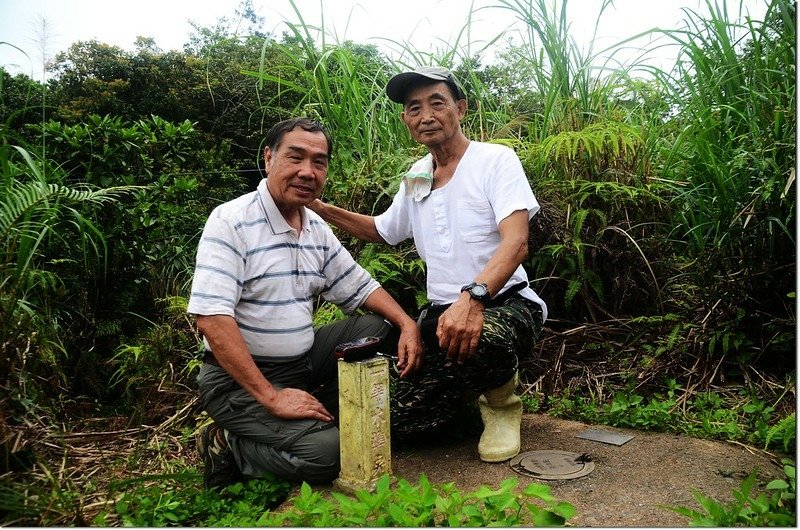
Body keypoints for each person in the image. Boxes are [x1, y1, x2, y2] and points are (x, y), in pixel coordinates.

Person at [309, 66, 547, 463]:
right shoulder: (417, 176)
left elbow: (517, 241)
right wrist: (319, 208)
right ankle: (461, 403)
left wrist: (473, 297)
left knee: (482, 335)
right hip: (440, 316)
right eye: (414, 108)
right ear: (406, 120)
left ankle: (503, 405)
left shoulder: (495, 161)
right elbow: (383, 231)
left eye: (437, 103)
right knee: (401, 418)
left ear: (461, 108)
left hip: (506, 304)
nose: (426, 115)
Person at [188, 117, 423, 489]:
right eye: (295, 157)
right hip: (238, 380)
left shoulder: (313, 226)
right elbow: (211, 319)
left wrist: (408, 324)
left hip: (300, 364)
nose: (307, 172)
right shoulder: (232, 221)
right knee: (332, 454)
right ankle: (229, 443)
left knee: (380, 327)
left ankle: (312, 413)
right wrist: (271, 397)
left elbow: (360, 286)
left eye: (319, 161)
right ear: (268, 158)